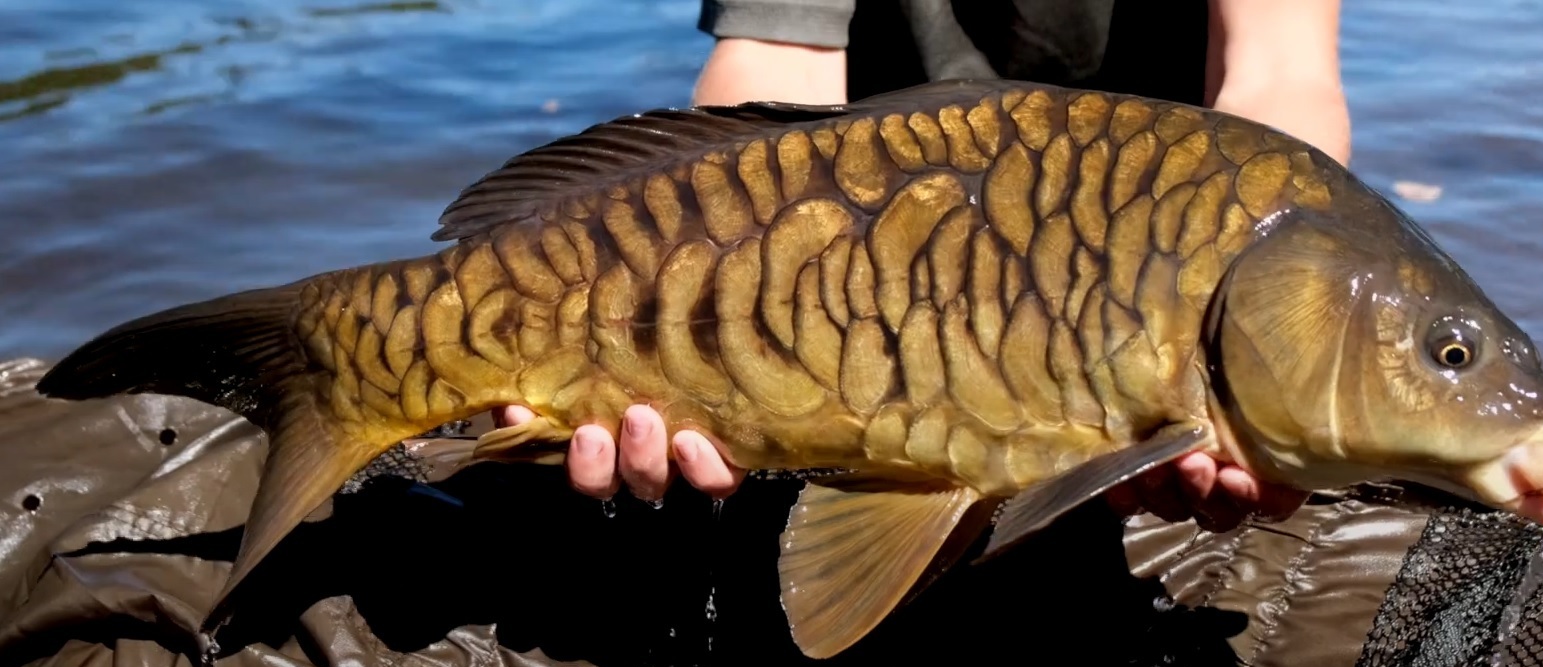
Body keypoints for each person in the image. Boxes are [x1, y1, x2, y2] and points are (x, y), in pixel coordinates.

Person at [496, 0, 1350, 533]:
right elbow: (774, 66)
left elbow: (1278, 76)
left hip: (1143, 271)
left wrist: (1290, 364)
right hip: (862, 253)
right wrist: (697, 334)